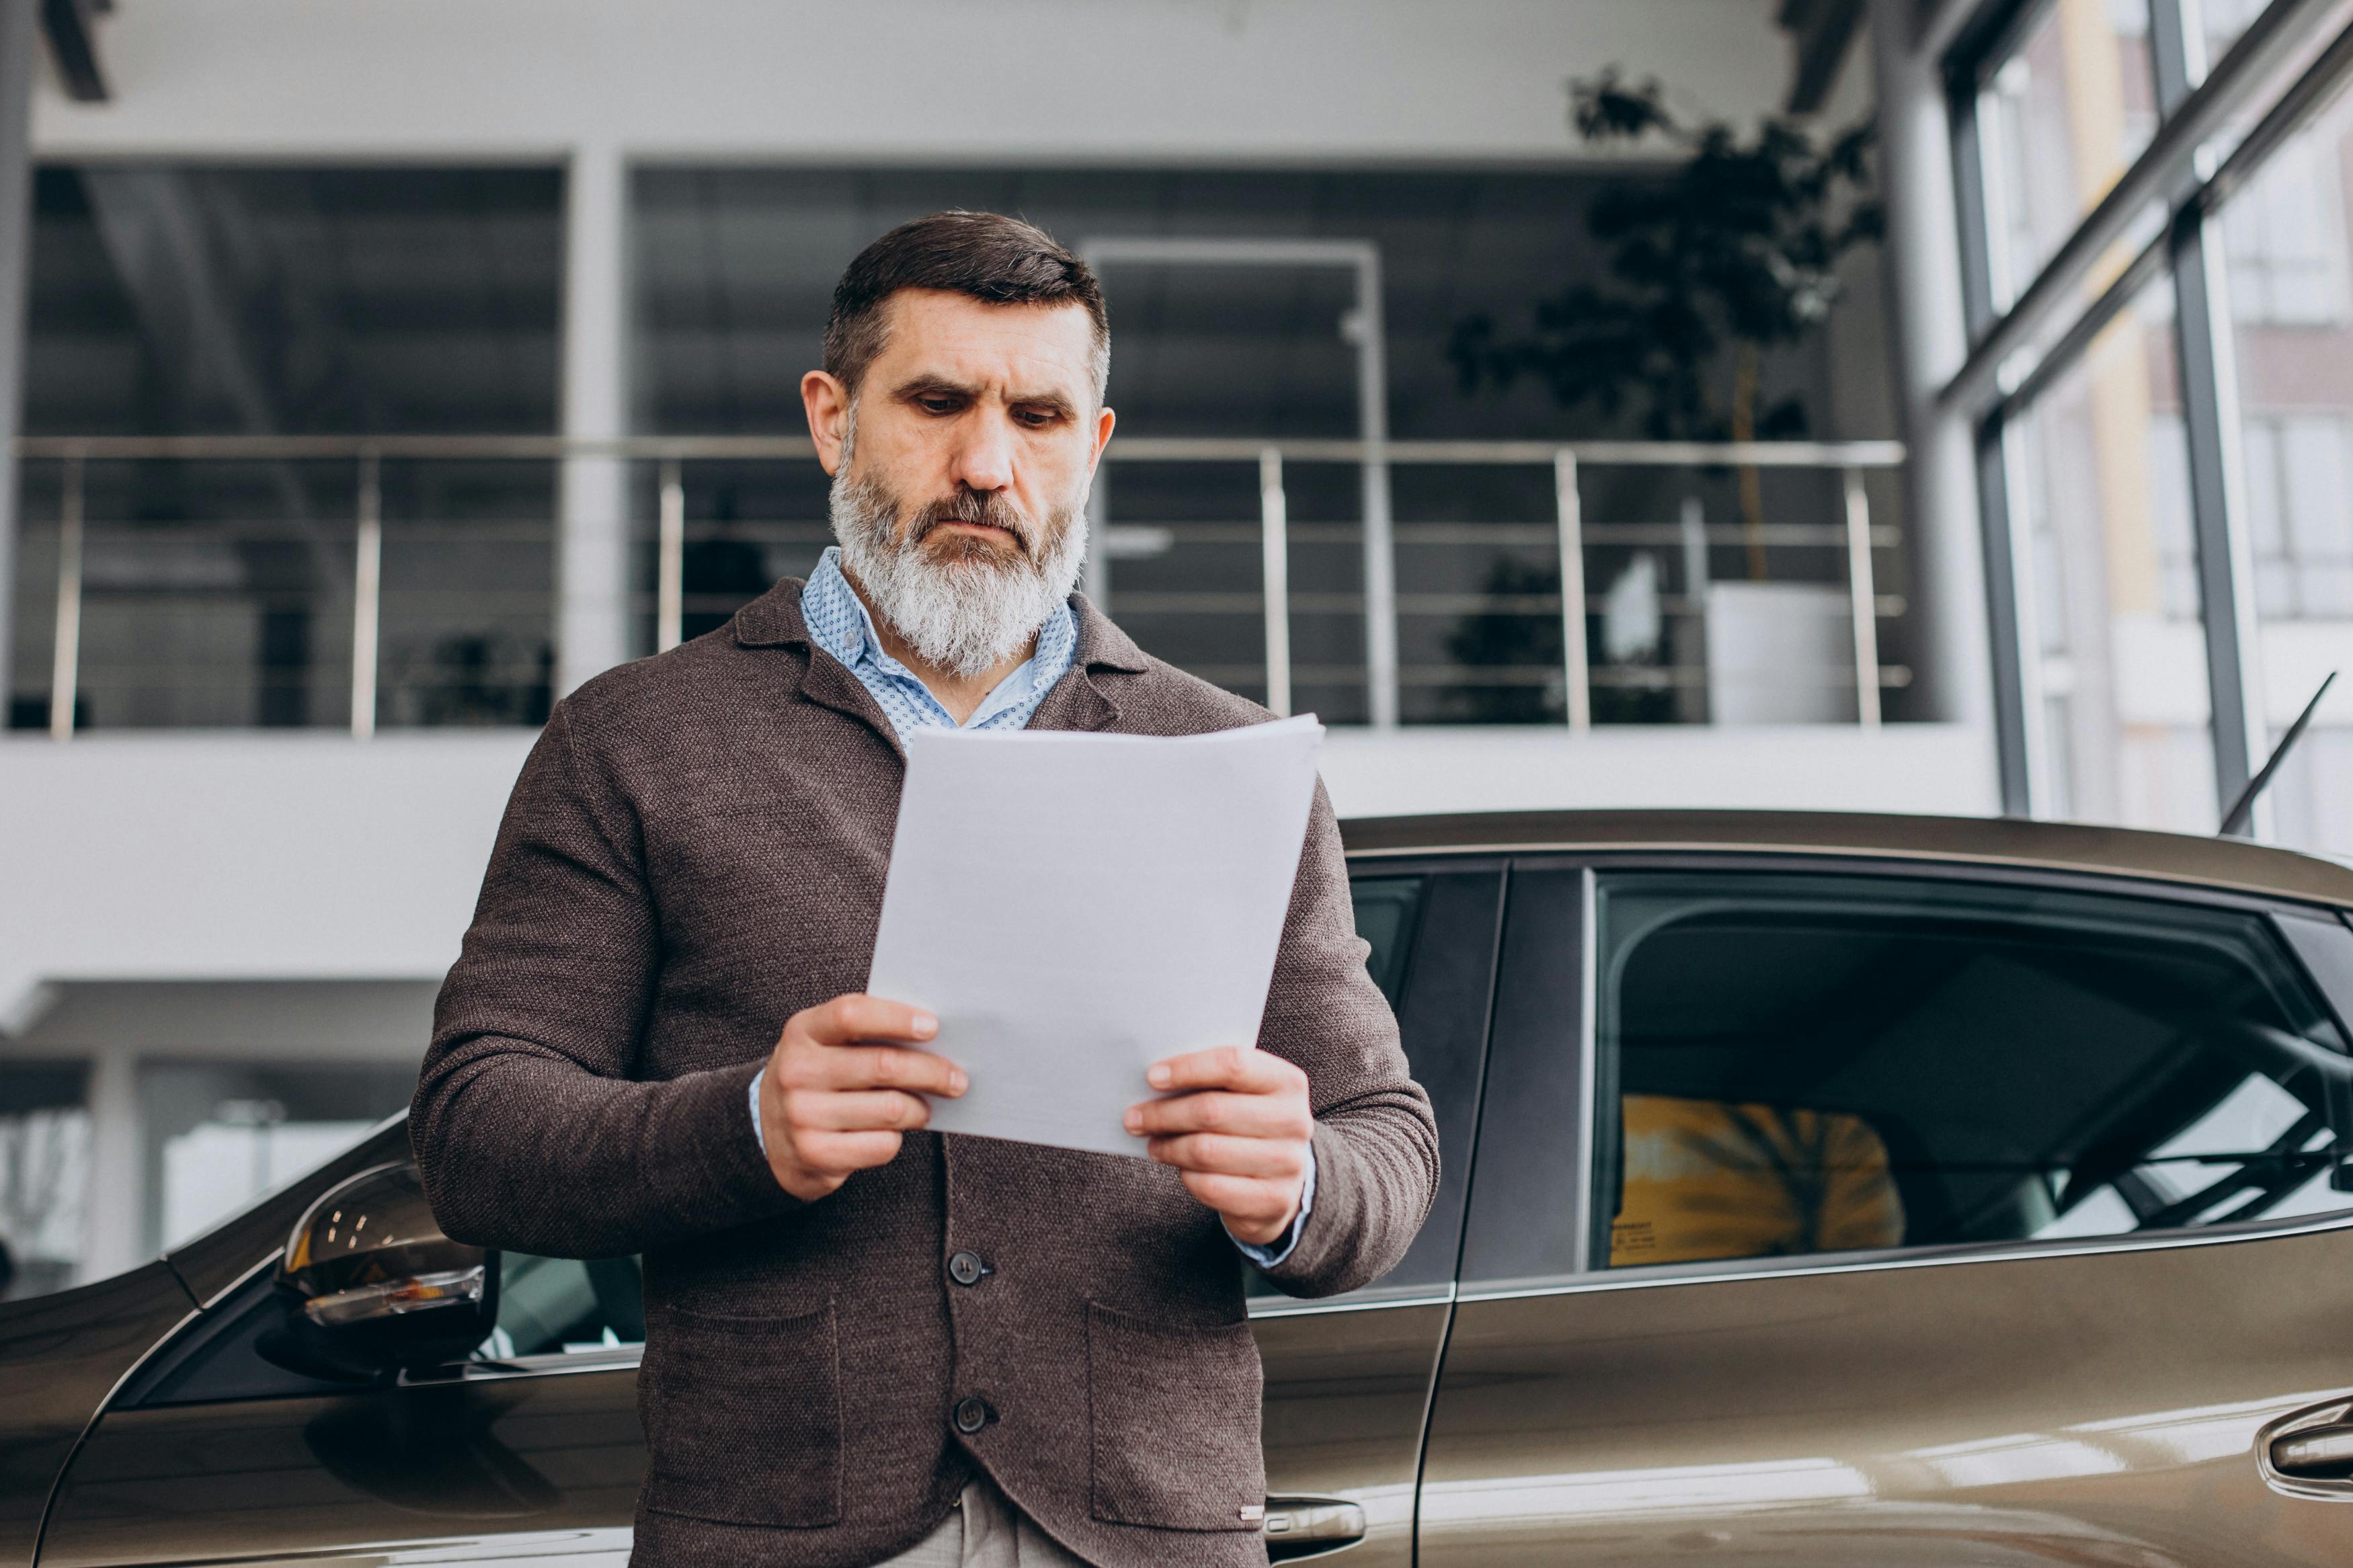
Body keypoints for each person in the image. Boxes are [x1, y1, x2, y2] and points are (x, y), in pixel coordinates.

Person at [413, 211, 1437, 1568]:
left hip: (1140, 1538)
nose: (986, 465)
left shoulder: (1227, 759)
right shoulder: (633, 739)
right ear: (832, 420)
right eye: (938, 403)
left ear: (1095, 446)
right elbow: (477, 1127)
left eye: (1039, 416)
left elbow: (1387, 1139)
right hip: (784, 1531)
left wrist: (1298, 1180)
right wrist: (746, 1126)